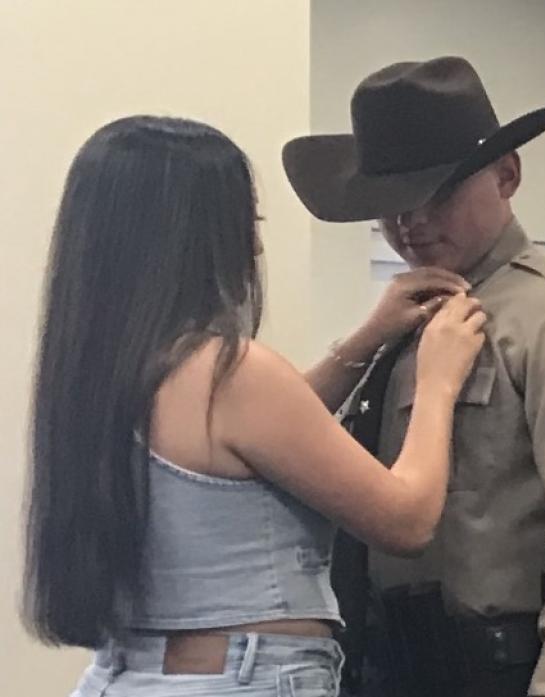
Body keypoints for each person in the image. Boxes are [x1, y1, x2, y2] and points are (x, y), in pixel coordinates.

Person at [23, 114, 487, 697]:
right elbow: (406, 518)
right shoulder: (232, 374)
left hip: (122, 677)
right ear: (201, 237)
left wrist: (364, 341)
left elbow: (257, 444)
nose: (256, 243)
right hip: (245, 678)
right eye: (248, 222)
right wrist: (438, 381)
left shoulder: (107, 373)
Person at [281, 57, 545, 697]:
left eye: (438, 193)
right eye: (391, 204)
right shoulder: (403, 325)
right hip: (394, 665)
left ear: (507, 175)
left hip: (508, 669)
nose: (410, 222)